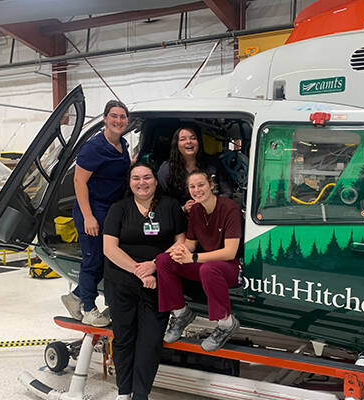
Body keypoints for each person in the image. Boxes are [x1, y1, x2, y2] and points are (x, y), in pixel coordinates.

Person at [103, 162, 187, 400]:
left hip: (158, 283)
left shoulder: (170, 206)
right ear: (130, 183)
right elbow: (109, 248)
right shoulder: (119, 209)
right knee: (124, 338)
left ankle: (141, 394)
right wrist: (139, 271)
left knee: (150, 342)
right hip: (121, 282)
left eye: (147, 177)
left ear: (155, 180)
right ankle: (123, 392)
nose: (142, 182)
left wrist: (154, 264)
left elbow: (181, 242)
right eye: (136, 178)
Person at [61, 100, 131, 327]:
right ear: (104, 118)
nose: (118, 120)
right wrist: (88, 216)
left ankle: (76, 296)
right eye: (114, 116)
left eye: (122, 117)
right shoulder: (94, 147)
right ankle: (89, 309)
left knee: (106, 259)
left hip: (111, 209)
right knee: (93, 259)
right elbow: (79, 181)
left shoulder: (123, 145)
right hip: (92, 209)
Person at [155, 170, 242, 352]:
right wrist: (180, 251)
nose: (197, 190)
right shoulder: (195, 210)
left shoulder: (229, 208)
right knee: (164, 260)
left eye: (201, 185)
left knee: (208, 269)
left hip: (229, 267)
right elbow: (191, 243)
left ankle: (226, 323)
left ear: (211, 185)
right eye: (192, 187)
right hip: (205, 263)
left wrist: (193, 258)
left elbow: (230, 252)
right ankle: (181, 314)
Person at [157, 126, 232, 213]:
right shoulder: (166, 169)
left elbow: (227, 192)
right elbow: (162, 200)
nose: (189, 142)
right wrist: (183, 208)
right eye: (183, 139)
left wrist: (210, 203)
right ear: (176, 144)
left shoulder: (213, 164)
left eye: (193, 138)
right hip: (180, 220)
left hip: (213, 216)